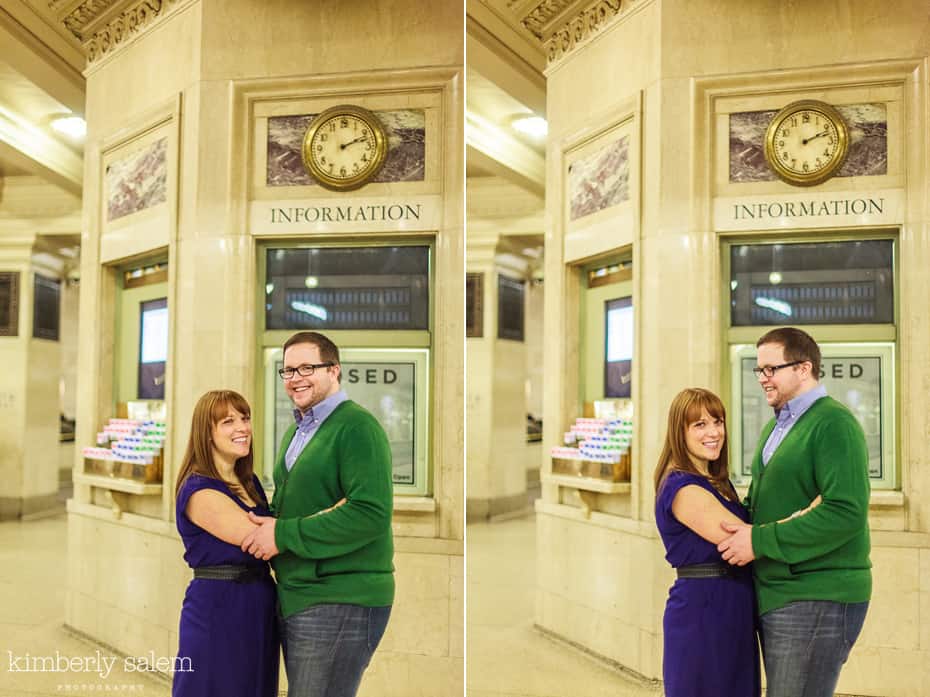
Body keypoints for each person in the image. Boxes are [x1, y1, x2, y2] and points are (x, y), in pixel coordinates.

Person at [717, 327, 871, 697]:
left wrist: (759, 539)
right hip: (779, 593)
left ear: (804, 369)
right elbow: (763, 504)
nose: (763, 380)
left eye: (772, 369)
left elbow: (845, 513)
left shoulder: (834, 423)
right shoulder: (777, 426)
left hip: (817, 595)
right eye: (759, 371)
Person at [241, 331, 394, 697]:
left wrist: (282, 534)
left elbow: (370, 513)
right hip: (299, 593)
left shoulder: (357, 427)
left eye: (307, 367)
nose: (295, 378)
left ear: (334, 370)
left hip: (341, 597)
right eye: (288, 370)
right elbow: (296, 504)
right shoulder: (296, 431)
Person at [654, 388, 761, 697]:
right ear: (680, 431)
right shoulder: (682, 487)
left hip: (730, 607)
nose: (713, 432)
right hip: (703, 614)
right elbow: (744, 539)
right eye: (699, 425)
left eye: (718, 421)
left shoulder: (716, 481)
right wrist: (807, 515)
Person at [173, 390, 279, 697]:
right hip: (218, 608)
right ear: (207, 435)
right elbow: (259, 538)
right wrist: (330, 517)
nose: (242, 428)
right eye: (228, 421)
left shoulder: (250, 483)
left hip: (258, 604)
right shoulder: (198, 490)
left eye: (245, 418)